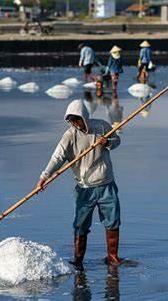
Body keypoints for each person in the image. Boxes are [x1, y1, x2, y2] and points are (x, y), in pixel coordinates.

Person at [36, 99, 122, 271]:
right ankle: (78, 260)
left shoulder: (101, 126)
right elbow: (58, 157)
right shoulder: (70, 136)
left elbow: (116, 140)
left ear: (85, 117)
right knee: (81, 224)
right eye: (72, 120)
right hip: (84, 188)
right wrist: (44, 176)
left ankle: (112, 257)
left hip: (106, 183)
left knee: (112, 222)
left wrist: (108, 143)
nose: (76, 124)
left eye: (78, 119)